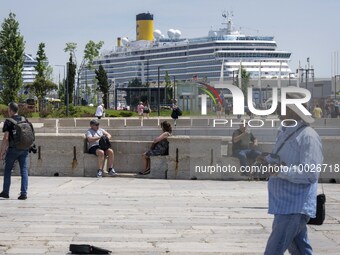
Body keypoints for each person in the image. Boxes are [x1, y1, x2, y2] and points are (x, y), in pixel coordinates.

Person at [260, 93, 323, 254]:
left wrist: (279, 170)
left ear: (293, 111)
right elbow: (283, 159)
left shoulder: (308, 136)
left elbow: (310, 173)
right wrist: (266, 159)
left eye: (281, 107)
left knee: (273, 250)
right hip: (285, 204)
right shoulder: (285, 132)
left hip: (295, 206)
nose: (278, 110)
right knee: (301, 251)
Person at [0, 102, 33, 200]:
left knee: (8, 170)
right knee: (24, 170)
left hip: (13, 149)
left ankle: (5, 192)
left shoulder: (8, 121)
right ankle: (23, 193)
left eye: (8, 110)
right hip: (24, 148)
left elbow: (6, 138)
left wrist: (1, 152)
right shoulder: (24, 119)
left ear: (10, 110)